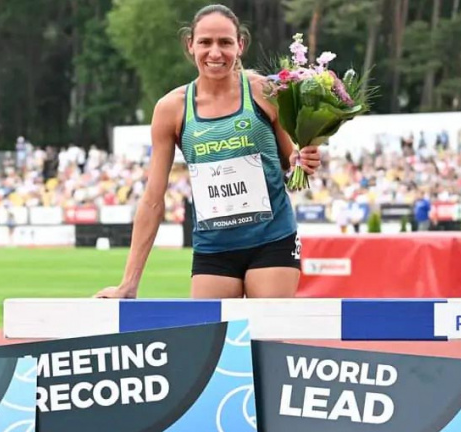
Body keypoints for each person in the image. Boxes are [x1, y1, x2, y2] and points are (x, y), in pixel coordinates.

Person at [95, 4, 321, 301]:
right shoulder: (171, 108)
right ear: (190, 45)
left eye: (225, 42)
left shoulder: (265, 92)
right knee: (213, 344)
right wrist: (129, 284)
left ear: (240, 45)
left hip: (272, 240)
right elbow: (152, 199)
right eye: (205, 42)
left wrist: (303, 160)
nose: (215, 53)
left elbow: (289, 162)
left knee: (265, 341)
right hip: (214, 248)